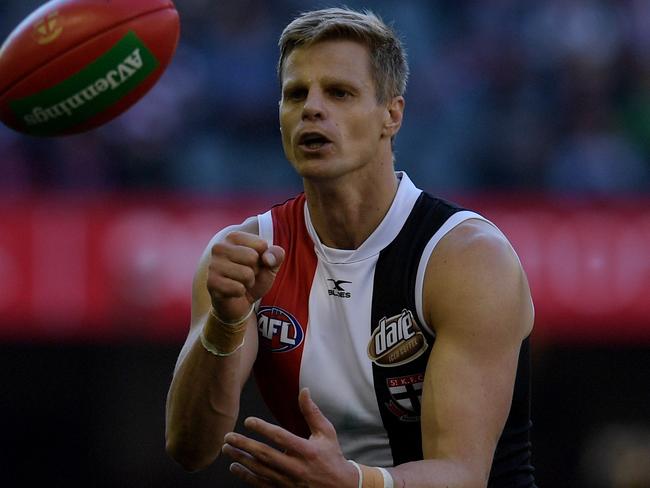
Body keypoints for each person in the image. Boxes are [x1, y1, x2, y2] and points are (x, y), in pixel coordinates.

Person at [165, 7, 536, 488]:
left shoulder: (465, 258)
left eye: (339, 92)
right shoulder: (247, 254)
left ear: (392, 115)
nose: (312, 109)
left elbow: (463, 473)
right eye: (295, 94)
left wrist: (356, 482)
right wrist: (225, 322)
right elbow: (190, 447)